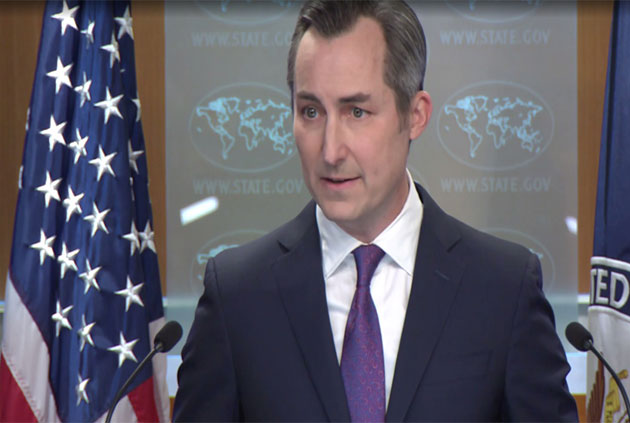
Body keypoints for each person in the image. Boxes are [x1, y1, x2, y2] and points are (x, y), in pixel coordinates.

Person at [173, 1, 578, 421]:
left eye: (357, 112)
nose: (330, 151)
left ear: (415, 116)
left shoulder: (503, 290)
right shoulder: (236, 296)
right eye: (311, 111)